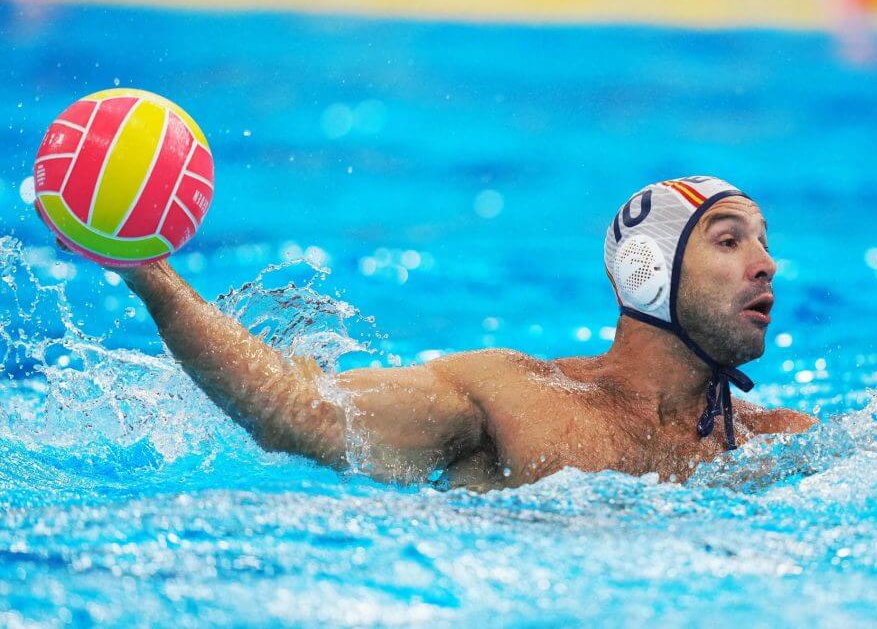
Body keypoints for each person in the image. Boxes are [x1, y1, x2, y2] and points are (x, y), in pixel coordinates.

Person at [104, 176, 817, 490]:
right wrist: (153, 279)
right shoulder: (512, 397)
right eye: (729, 242)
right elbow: (299, 413)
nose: (767, 263)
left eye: (763, 241)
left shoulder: (777, 443)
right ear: (645, 272)